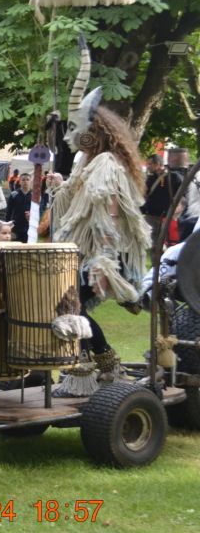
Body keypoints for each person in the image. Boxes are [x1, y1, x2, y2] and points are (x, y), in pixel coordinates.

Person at [50, 61, 151, 383]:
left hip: (100, 255)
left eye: (76, 128)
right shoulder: (85, 161)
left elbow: (111, 212)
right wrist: (61, 186)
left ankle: (97, 367)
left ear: (94, 133)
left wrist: (104, 260)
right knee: (68, 305)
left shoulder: (106, 163)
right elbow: (73, 202)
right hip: (84, 253)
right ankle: (97, 367)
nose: (72, 135)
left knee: (70, 306)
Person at [141, 154, 182, 255]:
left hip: (167, 218)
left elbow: (183, 196)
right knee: (153, 247)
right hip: (151, 217)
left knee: (169, 247)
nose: (148, 166)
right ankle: (155, 264)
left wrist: (177, 211)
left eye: (150, 164)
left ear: (158, 164)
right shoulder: (150, 178)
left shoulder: (174, 177)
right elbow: (145, 195)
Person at [7, 173, 34, 243]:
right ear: (20, 182)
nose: (25, 182)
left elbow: (40, 211)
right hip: (16, 227)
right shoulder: (14, 194)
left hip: (30, 228)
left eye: (27, 180)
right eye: (23, 180)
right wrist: (8, 229)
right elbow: (8, 212)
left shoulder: (35, 195)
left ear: (31, 181)